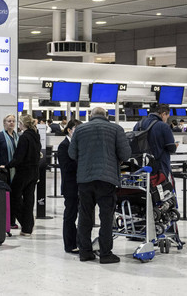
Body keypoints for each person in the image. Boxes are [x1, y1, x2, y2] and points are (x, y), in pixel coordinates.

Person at [69, 107, 130, 264]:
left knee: (85, 216)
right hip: (107, 179)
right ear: (106, 116)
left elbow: (72, 154)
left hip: (85, 179)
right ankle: (105, 253)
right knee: (106, 217)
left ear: (90, 115)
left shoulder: (80, 129)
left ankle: (85, 252)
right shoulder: (116, 129)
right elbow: (125, 154)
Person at [4, 114, 41, 236]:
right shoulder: (36, 136)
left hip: (24, 172)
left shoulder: (24, 137)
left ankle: (24, 223)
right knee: (29, 199)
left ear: (23, 124)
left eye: (19, 123)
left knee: (14, 196)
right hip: (34, 172)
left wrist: (7, 166)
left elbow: (19, 157)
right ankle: (28, 228)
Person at [57, 119, 82, 254]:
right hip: (70, 186)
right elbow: (66, 167)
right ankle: (69, 244)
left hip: (79, 185)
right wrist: (81, 162)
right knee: (70, 216)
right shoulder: (64, 146)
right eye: (76, 129)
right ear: (69, 130)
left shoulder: (78, 145)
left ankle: (77, 241)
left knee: (79, 215)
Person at [135, 104, 177, 180]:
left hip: (141, 166)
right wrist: (175, 146)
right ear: (163, 114)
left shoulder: (138, 124)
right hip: (160, 167)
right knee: (162, 189)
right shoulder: (164, 126)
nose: (166, 120)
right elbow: (171, 148)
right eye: (167, 117)